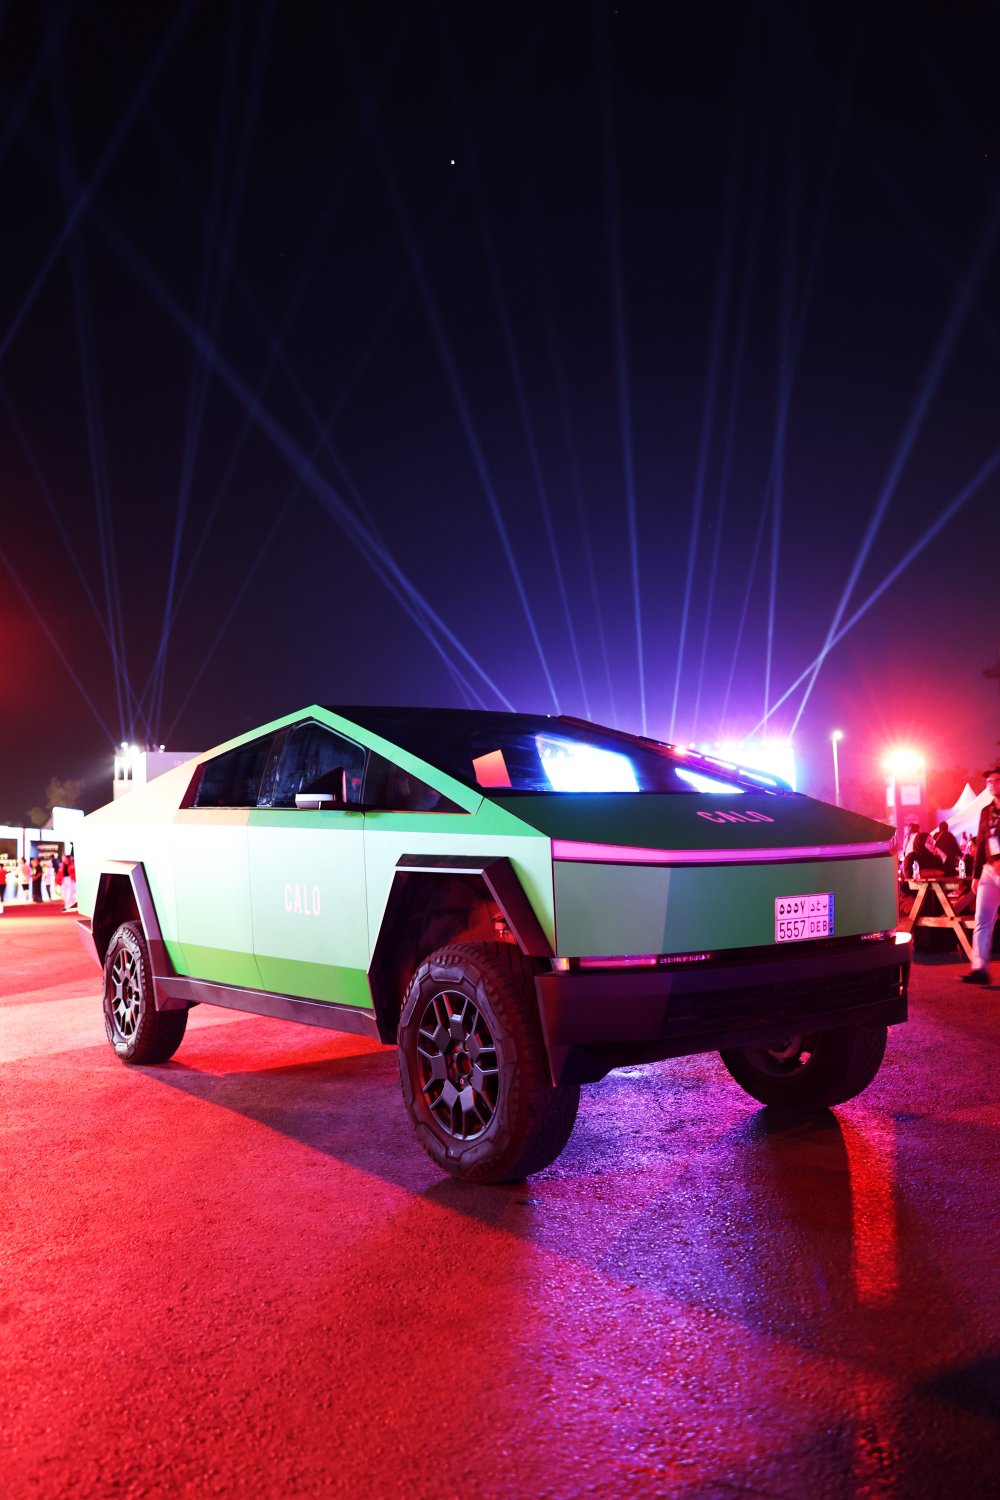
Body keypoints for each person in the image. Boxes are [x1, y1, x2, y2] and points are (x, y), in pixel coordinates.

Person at [960, 765, 1000, 985]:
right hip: (988, 871)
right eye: (989, 782)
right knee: (982, 921)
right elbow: (982, 842)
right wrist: (975, 875)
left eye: (996, 781)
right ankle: (979, 969)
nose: (992, 785)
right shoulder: (986, 811)